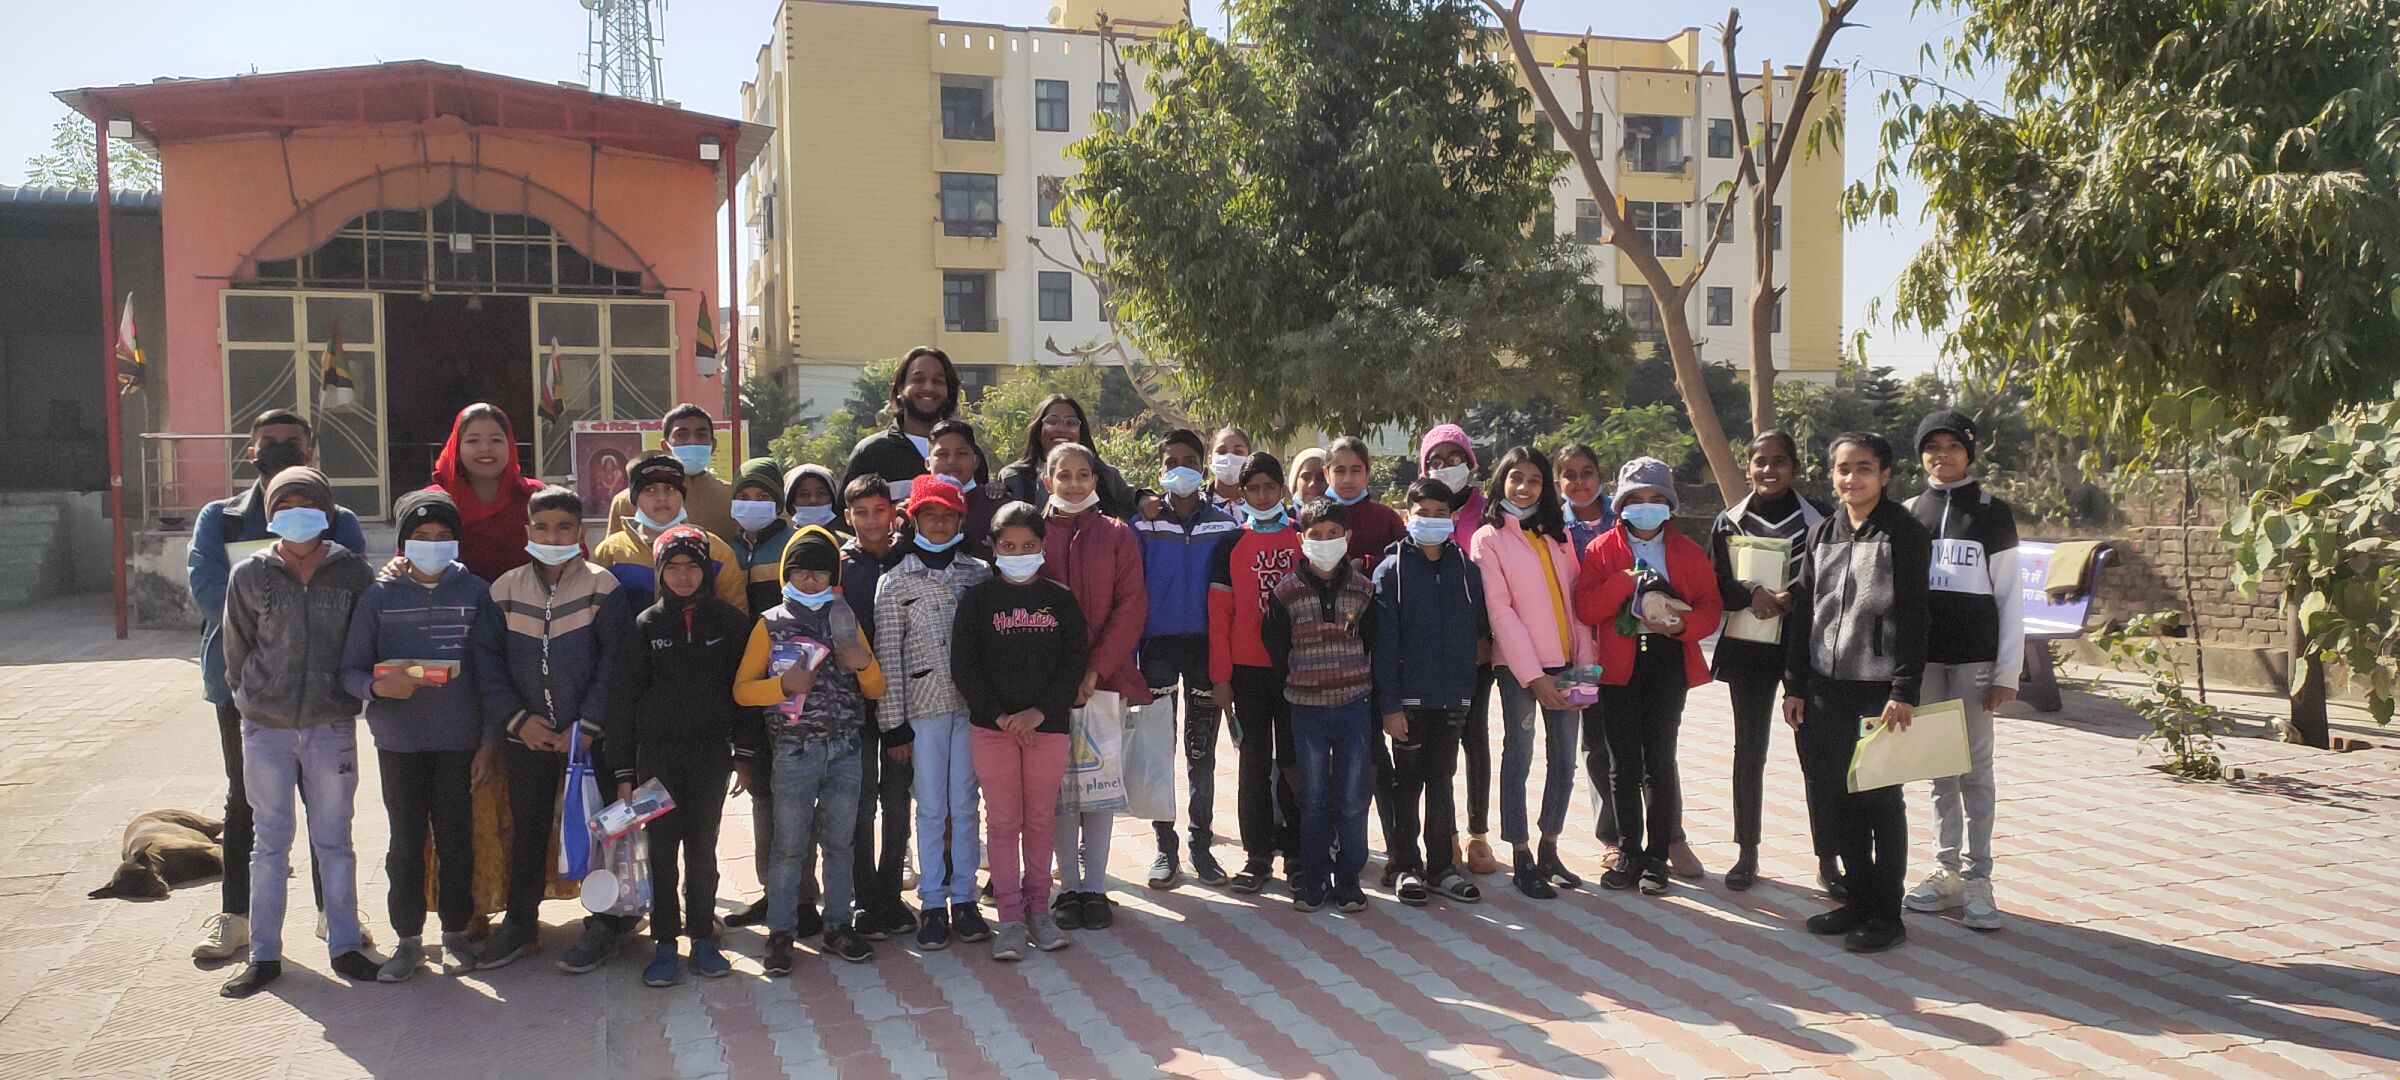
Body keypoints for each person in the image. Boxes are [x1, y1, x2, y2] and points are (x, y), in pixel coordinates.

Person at [189, 410, 367, 963]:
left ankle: (331, 915)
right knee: (247, 805)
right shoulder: (221, 518)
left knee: (327, 809)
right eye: (269, 443)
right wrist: (252, 682)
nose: (281, 450)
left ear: (311, 451)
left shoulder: (340, 521)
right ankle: (238, 920)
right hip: (247, 692)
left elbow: (359, 596)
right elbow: (212, 591)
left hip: (322, 697)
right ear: (250, 451)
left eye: (293, 443)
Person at [217, 466, 379, 997]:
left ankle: (346, 945)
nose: (297, 512)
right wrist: (250, 700)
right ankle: (264, 955)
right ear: (270, 514)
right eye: (285, 504)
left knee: (335, 840)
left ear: (328, 511)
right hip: (266, 729)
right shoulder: (250, 574)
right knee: (269, 843)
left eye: (308, 503)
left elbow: (368, 639)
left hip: (330, 725)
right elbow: (235, 648)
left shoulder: (354, 573)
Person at [338, 490, 507, 982]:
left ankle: (455, 933)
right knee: (406, 842)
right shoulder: (379, 596)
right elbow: (348, 669)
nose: (431, 544)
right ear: (403, 543)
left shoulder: (476, 592)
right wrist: (376, 686)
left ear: (456, 542)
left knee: (456, 839)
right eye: (420, 537)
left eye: (442, 537)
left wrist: (489, 741)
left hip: (459, 742)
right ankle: (408, 941)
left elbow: (490, 673)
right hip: (399, 742)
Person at [474, 486, 634, 972]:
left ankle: (608, 925)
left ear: (580, 531)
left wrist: (587, 725)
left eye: (563, 527)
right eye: (542, 527)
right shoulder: (503, 590)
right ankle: (521, 924)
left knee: (605, 830)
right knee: (529, 827)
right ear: (528, 532)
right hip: (529, 738)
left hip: (591, 740)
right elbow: (487, 661)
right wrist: (519, 722)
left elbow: (615, 662)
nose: (552, 535)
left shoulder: (603, 588)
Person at [1783, 432, 1932, 954]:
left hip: (1878, 692)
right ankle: (1856, 898)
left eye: (1864, 468)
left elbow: (1915, 616)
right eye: (1843, 469)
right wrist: (1794, 684)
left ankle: (1886, 914)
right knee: (1836, 796)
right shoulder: (1822, 533)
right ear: (1831, 475)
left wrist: (1904, 688)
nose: (1853, 478)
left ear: (1886, 475)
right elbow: (1804, 614)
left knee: (1879, 800)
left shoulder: (1904, 534)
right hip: (1825, 690)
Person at [603, 526, 758, 986]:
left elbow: (745, 694)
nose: (684, 575)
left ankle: (703, 940)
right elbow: (622, 701)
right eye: (673, 566)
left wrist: (744, 755)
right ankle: (665, 943)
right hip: (656, 758)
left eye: (693, 566)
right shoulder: (645, 625)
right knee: (663, 852)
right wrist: (624, 769)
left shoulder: (730, 624)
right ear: (660, 571)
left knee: (702, 850)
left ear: (706, 570)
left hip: (710, 755)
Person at [735, 525, 885, 971]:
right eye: (802, 573)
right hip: (794, 752)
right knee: (789, 847)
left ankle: (838, 925)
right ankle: (782, 932)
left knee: (841, 843)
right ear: (787, 574)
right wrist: (782, 685)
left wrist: (862, 664)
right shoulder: (770, 623)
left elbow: (875, 687)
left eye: (822, 574)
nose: (812, 582)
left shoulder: (846, 617)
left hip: (845, 749)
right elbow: (742, 690)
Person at [1573, 457, 1725, 896]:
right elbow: (1585, 608)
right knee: (1622, 764)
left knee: (1660, 761)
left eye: (1656, 499)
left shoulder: (1687, 552)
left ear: (1670, 504)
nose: (1646, 507)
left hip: (1666, 661)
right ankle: (1628, 850)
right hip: (1618, 665)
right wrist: (1622, 583)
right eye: (1636, 499)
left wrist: (1684, 626)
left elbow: (1710, 606)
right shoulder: (1601, 549)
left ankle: (1658, 856)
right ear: (1621, 504)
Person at [952, 502, 1090, 961]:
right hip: (992, 730)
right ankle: (1009, 918)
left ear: (1042, 546)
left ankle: (1039, 911)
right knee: (1004, 822)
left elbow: (1073, 664)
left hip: (1046, 727)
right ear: (993, 548)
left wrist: (1037, 712)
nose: (1018, 553)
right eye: (1008, 546)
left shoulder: (1061, 599)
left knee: (1039, 820)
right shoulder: (978, 600)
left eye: (1027, 545)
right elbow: (965, 668)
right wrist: (1002, 717)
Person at [1902, 410, 2022, 931]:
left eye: (1952, 445)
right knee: (1938, 769)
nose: (1941, 455)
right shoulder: (1908, 513)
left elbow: (2012, 598)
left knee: (1975, 770)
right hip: (1925, 662)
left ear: (1969, 452)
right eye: (1932, 446)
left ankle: (1979, 879)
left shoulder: (1993, 513)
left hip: (1975, 660)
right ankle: (1945, 869)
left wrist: (2007, 673)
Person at [871, 475, 995, 951]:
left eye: (948, 515)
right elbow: (888, 655)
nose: (940, 523)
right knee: (929, 806)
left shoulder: (977, 573)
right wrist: (894, 724)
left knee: (965, 804)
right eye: (930, 515)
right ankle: (931, 902)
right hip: (922, 710)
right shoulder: (896, 579)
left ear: (961, 519)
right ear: (914, 519)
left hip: (970, 706)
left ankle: (964, 898)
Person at [1470, 446, 1595, 900]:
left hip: (1571, 664)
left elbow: (1578, 605)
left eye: (1534, 480)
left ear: (1546, 488)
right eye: (1515, 477)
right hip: (1520, 670)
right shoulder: (1488, 539)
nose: (1523, 487)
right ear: (1501, 480)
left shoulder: (1557, 536)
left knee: (1565, 758)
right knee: (1518, 755)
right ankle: (1520, 852)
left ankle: (1549, 846)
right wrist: (1533, 677)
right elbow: (1501, 614)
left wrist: (1584, 665)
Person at [1034, 443, 1149, 931]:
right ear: (1047, 480)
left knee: (1100, 785)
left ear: (1097, 480)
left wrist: (1095, 671)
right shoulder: (1031, 533)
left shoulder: (1118, 535)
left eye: (1085, 474)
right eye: (1065, 475)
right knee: (1059, 789)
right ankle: (1068, 889)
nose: (1075, 484)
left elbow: (1131, 605)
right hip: (1047, 683)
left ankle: (1096, 887)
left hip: (1106, 681)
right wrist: (1062, 677)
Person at [1708, 431, 1829, 893]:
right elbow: (1715, 580)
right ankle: (1747, 852)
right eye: (1760, 461)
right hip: (1750, 645)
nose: (1769, 470)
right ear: (1747, 466)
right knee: (1749, 750)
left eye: (1780, 461)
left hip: (1805, 646)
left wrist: (1790, 598)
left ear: (1795, 467)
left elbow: (1832, 578)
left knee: (1814, 754)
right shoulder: (1729, 522)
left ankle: (1828, 857)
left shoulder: (1821, 518)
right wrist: (1750, 595)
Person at [1131, 429, 1239, 889]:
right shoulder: (1143, 524)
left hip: (1204, 648)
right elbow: (1130, 591)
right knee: (1158, 753)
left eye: (1190, 460)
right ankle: (1164, 847)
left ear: (1202, 467)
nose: (1182, 467)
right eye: (1171, 460)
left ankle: (1200, 845)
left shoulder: (1225, 526)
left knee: (1201, 752)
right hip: (1156, 648)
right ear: (1160, 470)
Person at [1371, 480, 1487, 906]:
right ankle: (1404, 865)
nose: (1433, 520)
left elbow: (1478, 636)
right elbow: (1384, 647)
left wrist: (1468, 692)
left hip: (1454, 698)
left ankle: (1441, 868)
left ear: (1454, 518)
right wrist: (1390, 705)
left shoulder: (1468, 571)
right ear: (1407, 517)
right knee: (1408, 785)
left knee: (1442, 781)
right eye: (1424, 512)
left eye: (1442, 512)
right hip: (1409, 702)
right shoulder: (1391, 572)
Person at [1262, 498, 1379, 914]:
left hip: (1354, 708)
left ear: (1347, 537)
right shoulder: (1285, 592)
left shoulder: (1364, 590)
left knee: (1351, 797)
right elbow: (1277, 650)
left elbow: (1375, 645)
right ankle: (1313, 880)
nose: (1326, 542)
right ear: (1301, 539)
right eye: (1316, 535)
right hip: (1307, 710)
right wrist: (1299, 683)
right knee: (1311, 798)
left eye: (1334, 535)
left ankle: (1349, 880)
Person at [1207, 452, 1303, 894]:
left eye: (1269, 487)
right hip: (1246, 674)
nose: (1262, 496)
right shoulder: (1229, 545)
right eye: (1253, 489)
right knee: (1253, 764)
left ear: (1282, 489)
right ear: (1241, 493)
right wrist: (1220, 677)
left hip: (1298, 672)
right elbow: (1219, 615)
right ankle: (1257, 855)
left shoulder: (1303, 538)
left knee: (1295, 764)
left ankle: (1300, 853)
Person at [839, 476, 917, 940]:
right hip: (857, 705)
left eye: (879, 509)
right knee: (862, 802)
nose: (872, 519)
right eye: (861, 511)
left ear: (894, 511)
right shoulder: (840, 565)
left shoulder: (911, 558)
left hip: (906, 701)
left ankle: (891, 894)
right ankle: (865, 898)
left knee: (897, 801)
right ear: (848, 515)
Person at [1417, 423, 1496, 875]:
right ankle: (1443, 831)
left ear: (1471, 461)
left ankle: (1478, 834)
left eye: (1454, 457)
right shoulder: (1422, 512)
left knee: (1475, 739)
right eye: (1436, 460)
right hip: (1432, 652)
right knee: (1438, 747)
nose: (1447, 467)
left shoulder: (1491, 514)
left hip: (1479, 650)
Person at [1552, 442, 1624, 873]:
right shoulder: (1550, 526)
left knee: (1643, 741)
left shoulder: (1626, 516)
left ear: (1601, 475)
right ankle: (1612, 837)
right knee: (1595, 743)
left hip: (1630, 645)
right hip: (1575, 653)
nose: (1580, 482)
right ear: (1559, 481)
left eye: (1587, 472)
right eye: (1570, 475)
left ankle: (1661, 834)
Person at [590, 453, 748, 614]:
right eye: (649, 490)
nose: (662, 498)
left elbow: (736, 615)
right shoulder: (610, 552)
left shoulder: (715, 550)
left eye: (670, 489)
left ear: (682, 496)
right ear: (634, 498)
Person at [843, 346, 963, 503]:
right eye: (918, 380)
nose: (928, 387)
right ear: (899, 388)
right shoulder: (870, 453)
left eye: (938, 381)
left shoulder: (967, 452)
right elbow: (844, 519)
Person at [605, 404, 738, 542]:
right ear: (665, 446)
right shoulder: (626, 500)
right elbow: (613, 553)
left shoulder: (732, 497)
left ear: (713, 445)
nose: (692, 441)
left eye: (701, 435)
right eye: (681, 435)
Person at [996, 394, 1137, 519]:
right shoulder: (1013, 477)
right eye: (1052, 422)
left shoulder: (1107, 476)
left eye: (1071, 423)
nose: (1062, 429)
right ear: (1039, 429)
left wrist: (1145, 497)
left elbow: (1139, 509)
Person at [1326, 438, 1405, 576]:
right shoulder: (1314, 516)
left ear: (1367, 474)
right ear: (1326, 474)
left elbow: (1406, 559)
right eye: (1340, 471)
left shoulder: (1386, 518)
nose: (1348, 479)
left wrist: (1366, 564)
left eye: (1356, 470)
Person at [924, 419, 1003, 556]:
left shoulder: (999, 507)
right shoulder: (914, 509)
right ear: (928, 463)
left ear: (976, 461)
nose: (952, 461)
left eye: (961, 454)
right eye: (942, 454)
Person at [730, 458, 797, 617]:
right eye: (743, 497)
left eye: (762, 496)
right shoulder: (728, 551)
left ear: (778, 505)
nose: (752, 504)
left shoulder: (794, 546)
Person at [1206, 426, 1253, 510]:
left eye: (1238, 452)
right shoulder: (1197, 503)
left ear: (1249, 460)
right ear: (1210, 461)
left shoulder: (1260, 503)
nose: (1229, 458)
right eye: (1222, 452)